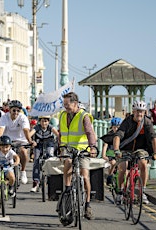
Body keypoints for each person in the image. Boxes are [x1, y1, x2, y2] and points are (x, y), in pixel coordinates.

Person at [113, 100, 156, 206]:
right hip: (125, 148)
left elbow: (153, 138)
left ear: (145, 112)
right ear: (133, 111)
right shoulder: (127, 121)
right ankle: (120, 192)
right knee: (123, 167)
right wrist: (116, 150)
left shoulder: (147, 122)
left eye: (142, 111)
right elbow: (118, 135)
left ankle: (142, 191)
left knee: (143, 164)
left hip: (141, 149)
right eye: (137, 111)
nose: (139, 114)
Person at [58, 92, 97, 220]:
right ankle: (68, 191)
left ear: (75, 103)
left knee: (85, 177)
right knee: (68, 163)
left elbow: (90, 132)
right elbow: (61, 133)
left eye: (67, 104)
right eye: (64, 104)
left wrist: (92, 147)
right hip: (68, 149)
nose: (65, 107)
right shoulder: (63, 115)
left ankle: (87, 205)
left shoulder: (83, 116)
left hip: (83, 150)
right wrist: (61, 149)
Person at [0, 100, 35, 185]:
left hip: (21, 141)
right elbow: (1, 130)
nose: (16, 112)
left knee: (23, 152)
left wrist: (30, 141)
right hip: (8, 141)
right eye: (14, 110)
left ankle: (23, 171)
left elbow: (26, 130)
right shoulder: (5, 117)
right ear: (9, 110)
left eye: (18, 111)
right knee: (3, 153)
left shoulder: (23, 117)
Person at [30, 115, 59, 192]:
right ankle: (35, 182)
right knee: (36, 160)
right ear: (40, 121)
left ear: (48, 122)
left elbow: (58, 135)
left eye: (46, 121)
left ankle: (51, 179)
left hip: (49, 143)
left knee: (50, 157)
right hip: (38, 144)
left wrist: (60, 141)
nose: (44, 123)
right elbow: (30, 134)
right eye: (42, 121)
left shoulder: (50, 127)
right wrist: (32, 141)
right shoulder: (37, 127)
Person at [101, 117, 122, 186]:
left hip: (119, 153)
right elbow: (105, 145)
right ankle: (109, 176)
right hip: (111, 154)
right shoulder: (109, 135)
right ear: (111, 127)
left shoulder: (121, 135)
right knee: (113, 163)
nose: (116, 129)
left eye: (118, 127)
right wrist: (103, 155)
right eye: (114, 127)